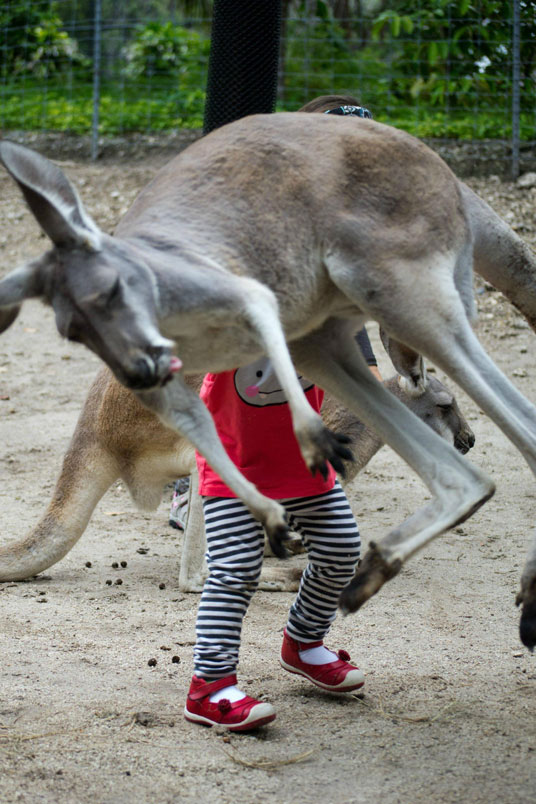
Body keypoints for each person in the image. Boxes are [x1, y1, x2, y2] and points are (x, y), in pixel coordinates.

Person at [181, 96, 380, 731]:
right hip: (237, 464)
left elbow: (363, 362)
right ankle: (209, 684)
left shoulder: (332, 270)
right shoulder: (239, 257)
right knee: (235, 570)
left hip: (304, 458)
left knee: (343, 548)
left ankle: (303, 641)